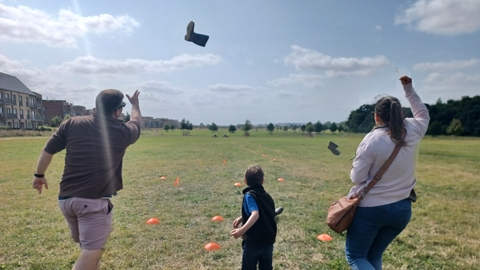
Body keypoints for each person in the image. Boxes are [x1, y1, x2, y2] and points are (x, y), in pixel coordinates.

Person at [32, 89, 141, 270]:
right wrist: (135, 104)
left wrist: (39, 175)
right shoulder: (123, 131)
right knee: (92, 251)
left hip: (66, 201)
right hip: (92, 203)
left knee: (88, 249)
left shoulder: (72, 123)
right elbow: (136, 121)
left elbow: (48, 150)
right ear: (117, 111)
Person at [345, 76, 430, 270]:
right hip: (402, 209)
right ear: (400, 113)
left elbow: (357, 178)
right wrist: (408, 89)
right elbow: (422, 113)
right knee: (374, 255)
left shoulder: (372, 139)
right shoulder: (414, 128)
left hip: (371, 209)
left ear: (376, 116)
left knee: (356, 256)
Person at [231, 165, 277, 270]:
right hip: (268, 241)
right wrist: (242, 218)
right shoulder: (267, 196)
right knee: (266, 267)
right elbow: (262, 212)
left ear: (245, 181)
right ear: (263, 181)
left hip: (254, 242)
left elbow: (255, 214)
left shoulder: (249, 195)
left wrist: (241, 231)